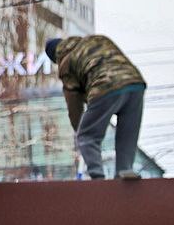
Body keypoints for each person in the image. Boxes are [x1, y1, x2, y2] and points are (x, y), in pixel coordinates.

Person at [46, 36, 145, 180]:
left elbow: (74, 104)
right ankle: (125, 170)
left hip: (105, 85)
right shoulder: (96, 39)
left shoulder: (66, 62)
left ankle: (98, 177)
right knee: (127, 134)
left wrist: (80, 129)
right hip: (135, 83)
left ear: (55, 56)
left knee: (86, 136)